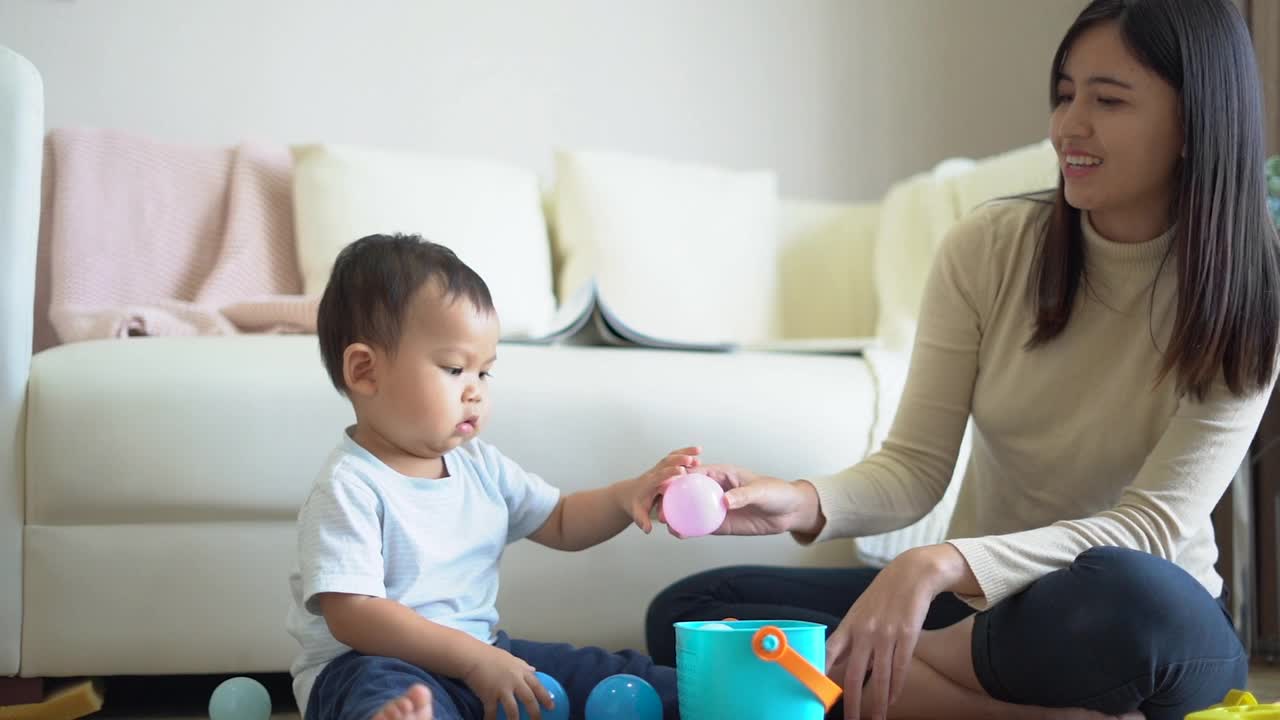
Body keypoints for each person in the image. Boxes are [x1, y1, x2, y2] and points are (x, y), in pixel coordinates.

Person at [645, 1, 1280, 719]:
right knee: (693, 612)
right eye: (1066, 93)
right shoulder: (990, 248)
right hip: (981, 618)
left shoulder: (1250, 293)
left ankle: (869, 671)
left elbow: (1149, 529)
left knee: (1131, 592)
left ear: (1195, 123)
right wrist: (801, 501)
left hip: (1133, 630)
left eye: (1108, 100)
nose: (1069, 125)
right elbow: (915, 469)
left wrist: (939, 564)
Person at [286, 234, 693, 720]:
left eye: (485, 373)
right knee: (382, 690)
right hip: (371, 664)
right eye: (456, 368)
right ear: (365, 371)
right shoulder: (348, 486)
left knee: (604, 672)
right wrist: (475, 659)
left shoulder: (478, 463)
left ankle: (713, 695)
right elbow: (354, 615)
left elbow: (561, 519)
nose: (475, 392)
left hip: (479, 653)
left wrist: (628, 494)